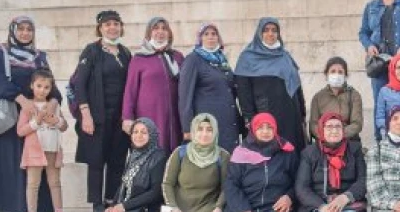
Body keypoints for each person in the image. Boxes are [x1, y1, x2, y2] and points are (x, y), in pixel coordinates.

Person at [0, 16, 59, 212]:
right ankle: (11, 207)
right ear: (13, 30)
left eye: (29, 29)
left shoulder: (39, 56)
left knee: (36, 160)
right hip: (9, 116)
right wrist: (24, 103)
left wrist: (50, 106)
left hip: (36, 117)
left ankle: (35, 207)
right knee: (11, 159)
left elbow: (51, 86)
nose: (25, 33)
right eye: (21, 29)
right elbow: (0, 83)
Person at [72, 11, 132, 212]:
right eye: (107, 25)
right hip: (97, 115)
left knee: (117, 160)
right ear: (100, 28)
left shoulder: (125, 53)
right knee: (97, 160)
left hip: (119, 117)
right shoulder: (92, 51)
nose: (112, 28)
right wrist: (85, 114)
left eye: (116, 24)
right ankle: (97, 202)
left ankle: (111, 198)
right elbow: (80, 83)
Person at [234, 17, 307, 151]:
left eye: (274, 30)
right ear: (259, 33)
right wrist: (250, 120)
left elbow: (297, 87)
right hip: (266, 117)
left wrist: (302, 113)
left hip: (291, 117)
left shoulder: (285, 56)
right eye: (266, 30)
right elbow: (244, 94)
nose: (270, 34)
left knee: (293, 155)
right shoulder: (247, 58)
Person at [122, 17, 185, 154]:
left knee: (173, 154)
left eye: (164, 28)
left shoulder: (177, 57)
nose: (160, 32)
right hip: (150, 116)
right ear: (149, 33)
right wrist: (127, 117)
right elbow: (130, 90)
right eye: (156, 28)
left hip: (175, 117)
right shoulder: (139, 59)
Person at [179, 23, 242, 152]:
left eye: (214, 34)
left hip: (227, 123)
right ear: (200, 38)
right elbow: (185, 96)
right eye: (206, 34)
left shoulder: (221, 60)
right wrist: (187, 127)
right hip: (207, 124)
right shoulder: (193, 60)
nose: (211, 37)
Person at [16, 69, 68, 212]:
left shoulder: (54, 104)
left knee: (55, 182)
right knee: (33, 183)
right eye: (39, 86)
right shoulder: (28, 107)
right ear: (32, 86)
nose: (42, 90)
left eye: (46, 87)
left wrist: (57, 121)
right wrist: (36, 122)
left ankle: (58, 210)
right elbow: (20, 131)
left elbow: (64, 126)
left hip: (52, 150)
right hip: (34, 152)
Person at [309, 57, 364, 144]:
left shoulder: (354, 95)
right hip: (324, 144)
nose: (336, 75)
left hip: (347, 142)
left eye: (340, 72)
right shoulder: (318, 97)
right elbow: (313, 124)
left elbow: (357, 124)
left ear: (345, 76)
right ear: (326, 75)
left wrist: (338, 135)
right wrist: (326, 136)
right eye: (333, 71)